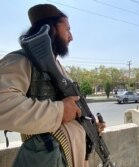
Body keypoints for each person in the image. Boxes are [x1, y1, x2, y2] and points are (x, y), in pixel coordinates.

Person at [0, 4, 104, 167]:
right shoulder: (20, 61)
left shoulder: (58, 68)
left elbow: (71, 115)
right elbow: (3, 105)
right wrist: (59, 111)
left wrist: (90, 127)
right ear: (51, 29)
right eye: (67, 29)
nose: (71, 37)